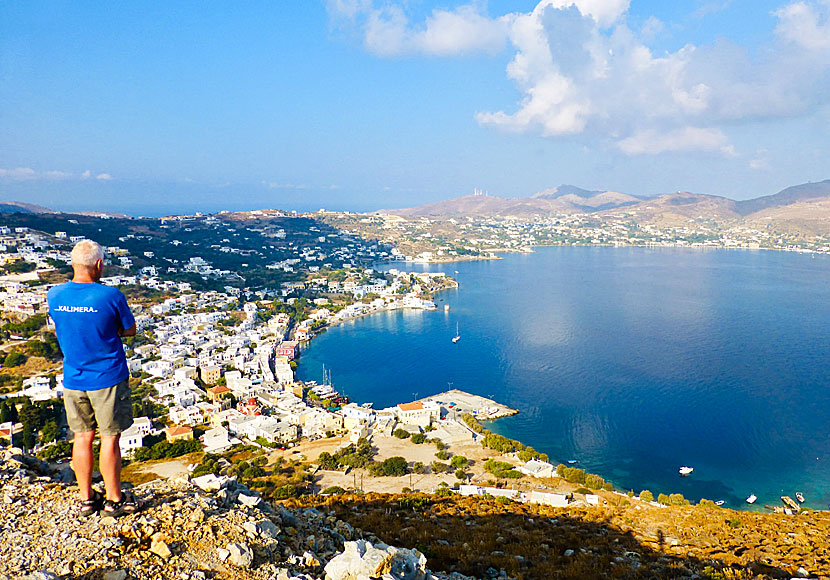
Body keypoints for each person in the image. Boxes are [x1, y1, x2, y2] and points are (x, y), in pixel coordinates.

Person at [47, 239, 141, 517]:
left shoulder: (55, 294)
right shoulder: (109, 296)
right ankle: (114, 499)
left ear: (73, 264)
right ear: (99, 265)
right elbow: (130, 329)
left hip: (73, 377)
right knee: (110, 438)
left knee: (82, 436)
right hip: (107, 377)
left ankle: (87, 499)